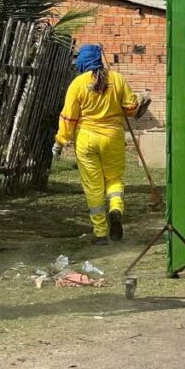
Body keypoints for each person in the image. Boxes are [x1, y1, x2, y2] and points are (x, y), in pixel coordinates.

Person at [53, 44, 140, 245]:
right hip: (113, 137)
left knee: (93, 186)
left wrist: (60, 141)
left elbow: (68, 117)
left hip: (86, 139)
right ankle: (116, 208)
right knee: (114, 179)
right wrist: (130, 106)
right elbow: (131, 107)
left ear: (83, 62)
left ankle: (100, 233)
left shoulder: (77, 84)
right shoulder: (117, 79)